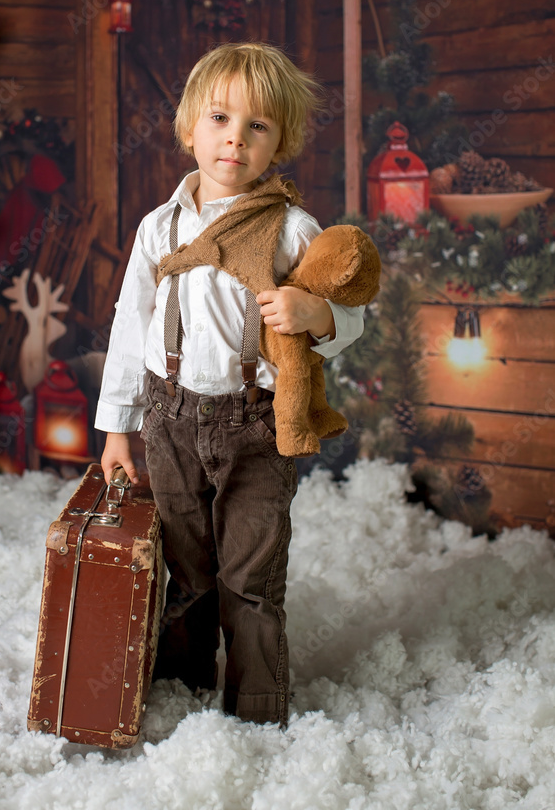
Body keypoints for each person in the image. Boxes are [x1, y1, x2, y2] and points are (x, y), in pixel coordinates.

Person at [95, 42, 365, 727]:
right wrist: (116, 426)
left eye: (257, 126)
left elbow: (353, 315)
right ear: (189, 127)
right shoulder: (160, 228)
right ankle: (182, 694)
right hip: (169, 417)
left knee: (250, 573)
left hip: (256, 423)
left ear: (282, 141)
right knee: (184, 570)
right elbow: (132, 323)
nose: (234, 139)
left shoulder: (292, 228)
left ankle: (254, 709)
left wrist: (318, 314)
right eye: (219, 119)